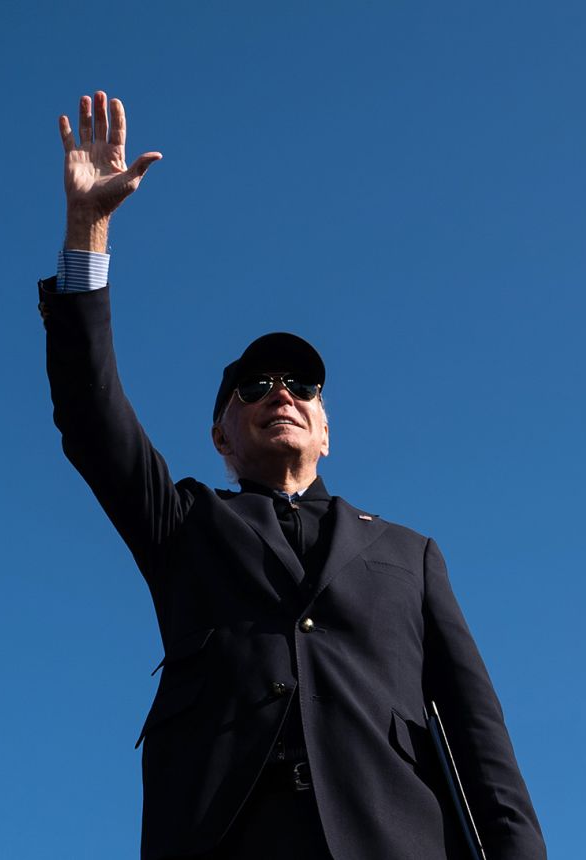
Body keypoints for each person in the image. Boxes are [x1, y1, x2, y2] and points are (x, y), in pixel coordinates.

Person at [38, 92, 546, 859]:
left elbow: (480, 732)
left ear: (328, 430)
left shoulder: (410, 555)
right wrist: (88, 234)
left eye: (303, 386)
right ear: (220, 437)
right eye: (255, 386)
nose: (282, 393)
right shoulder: (185, 523)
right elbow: (90, 417)